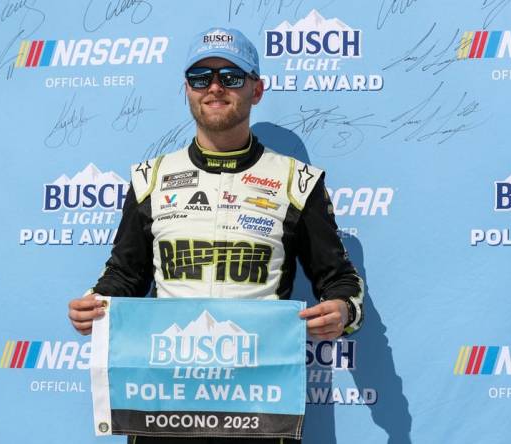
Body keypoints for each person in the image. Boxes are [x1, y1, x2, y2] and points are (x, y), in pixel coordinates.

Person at [68, 27, 364, 444]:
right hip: (165, 403)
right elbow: (125, 276)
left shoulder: (298, 182)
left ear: (257, 90)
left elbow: (341, 282)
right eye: (200, 77)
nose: (215, 87)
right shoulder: (150, 179)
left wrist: (342, 311)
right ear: (186, 90)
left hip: (260, 408)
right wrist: (94, 305)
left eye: (232, 76)